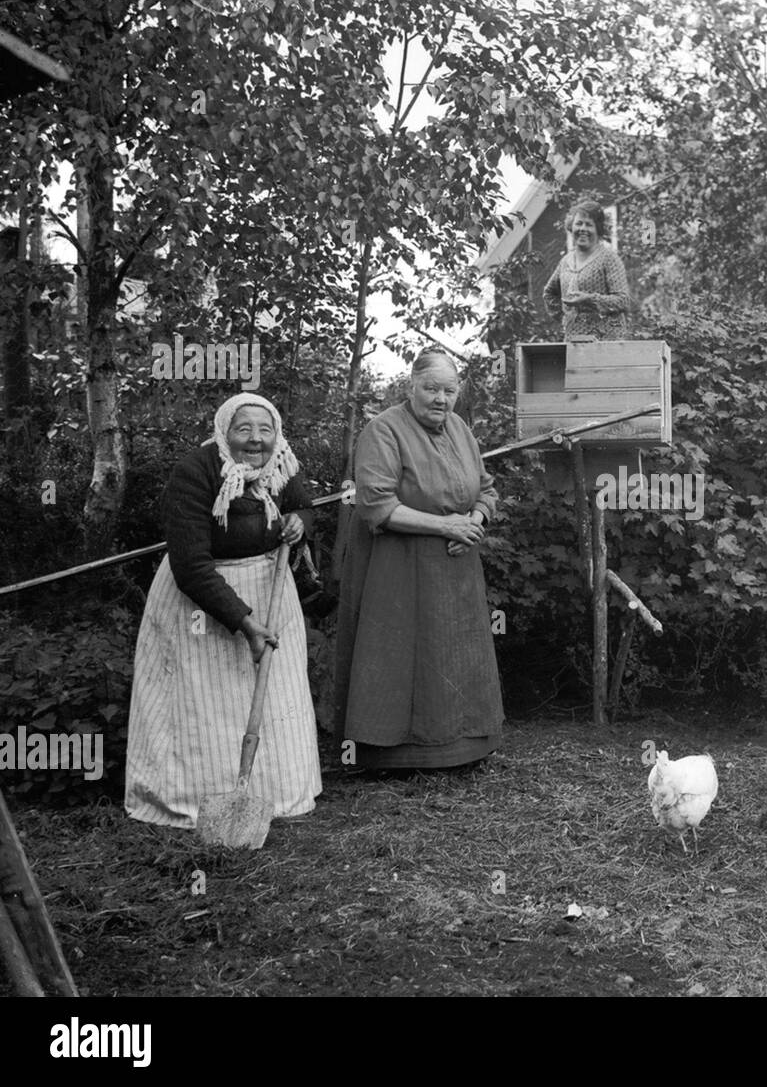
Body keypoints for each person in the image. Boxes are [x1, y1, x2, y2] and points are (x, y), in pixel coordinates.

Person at [126, 392, 322, 827]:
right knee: (204, 705)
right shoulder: (195, 473)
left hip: (271, 588)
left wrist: (299, 523)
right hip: (202, 601)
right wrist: (244, 622)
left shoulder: (282, 464)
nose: (255, 440)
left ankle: (277, 794)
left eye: (265, 430)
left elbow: (304, 506)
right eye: (244, 429)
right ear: (223, 431)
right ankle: (193, 799)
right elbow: (191, 566)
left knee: (275, 698)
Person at [334, 348, 504, 769]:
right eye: (431, 388)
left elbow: (487, 489)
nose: (440, 399)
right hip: (398, 571)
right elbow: (377, 505)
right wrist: (447, 526)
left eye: (449, 390)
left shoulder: (460, 429)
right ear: (411, 385)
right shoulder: (383, 430)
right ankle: (391, 754)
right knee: (401, 653)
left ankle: (461, 748)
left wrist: (475, 521)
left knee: (453, 653)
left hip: (456, 568)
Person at [543, 199, 631, 339]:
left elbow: (623, 300)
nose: (583, 229)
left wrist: (589, 300)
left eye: (589, 225)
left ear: (598, 229)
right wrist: (564, 317)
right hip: (573, 340)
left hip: (606, 342)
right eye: (579, 223)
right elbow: (549, 293)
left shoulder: (609, 259)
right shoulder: (565, 261)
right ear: (571, 227)